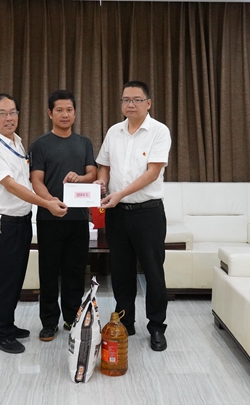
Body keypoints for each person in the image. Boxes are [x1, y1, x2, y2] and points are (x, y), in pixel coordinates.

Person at [0, 93, 68, 354]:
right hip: (3, 224)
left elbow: (25, 181)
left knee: (14, 279)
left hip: (21, 221)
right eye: (2, 114)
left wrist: (48, 199)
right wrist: (47, 203)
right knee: (3, 281)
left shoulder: (16, 141)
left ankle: (7, 324)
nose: (9, 118)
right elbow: (13, 186)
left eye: (13, 112)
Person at [94, 81, 171, 352]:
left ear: (148, 103)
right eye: (126, 100)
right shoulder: (114, 131)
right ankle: (125, 322)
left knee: (153, 271)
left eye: (137, 100)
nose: (130, 104)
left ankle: (157, 327)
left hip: (148, 213)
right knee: (121, 270)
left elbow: (152, 173)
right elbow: (104, 165)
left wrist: (119, 193)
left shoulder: (159, 131)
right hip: (117, 214)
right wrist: (102, 182)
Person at [29, 90, 97, 342]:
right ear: (50, 113)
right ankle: (49, 322)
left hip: (78, 218)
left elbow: (92, 173)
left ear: (75, 113)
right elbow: (36, 180)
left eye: (69, 110)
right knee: (48, 272)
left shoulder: (84, 143)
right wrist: (50, 203)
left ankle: (72, 318)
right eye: (59, 110)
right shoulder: (40, 144)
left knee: (75, 271)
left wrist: (80, 177)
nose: (65, 114)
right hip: (49, 218)